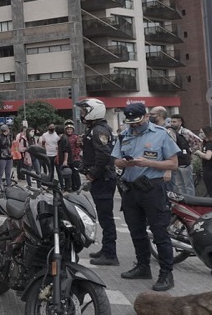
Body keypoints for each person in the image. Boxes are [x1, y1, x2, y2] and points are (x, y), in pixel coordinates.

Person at [112, 102, 179, 292]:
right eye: (130, 123)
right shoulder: (124, 135)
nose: (134, 126)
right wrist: (125, 163)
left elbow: (173, 164)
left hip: (152, 189)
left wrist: (147, 163)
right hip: (130, 190)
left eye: (137, 122)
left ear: (146, 117)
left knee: (159, 233)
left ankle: (166, 273)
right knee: (137, 232)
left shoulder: (160, 134)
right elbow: (115, 159)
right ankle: (143, 266)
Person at [75, 98, 119, 267]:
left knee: (106, 218)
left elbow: (104, 156)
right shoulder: (96, 129)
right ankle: (107, 249)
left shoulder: (98, 130)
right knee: (103, 216)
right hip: (102, 178)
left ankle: (110, 254)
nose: (82, 114)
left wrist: (92, 174)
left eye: (85, 111)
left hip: (103, 179)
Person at [169, 114, 199, 196]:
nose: (172, 124)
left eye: (174, 122)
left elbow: (198, 141)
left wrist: (190, 151)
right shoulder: (172, 132)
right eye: (171, 122)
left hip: (185, 162)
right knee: (179, 185)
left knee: (188, 185)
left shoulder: (186, 132)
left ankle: (191, 202)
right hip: (177, 162)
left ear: (180, 122)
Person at [194, 126, 212, 198]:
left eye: (201, 132)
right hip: (209, 169)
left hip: (210, 170)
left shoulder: (210, 144)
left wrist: (198, 152)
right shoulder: (208, 143)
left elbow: (208, 156)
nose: (200, 134)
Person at [0, 125, 13, 190]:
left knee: (8, 172)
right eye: (8, 129)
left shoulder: (9, 137)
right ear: (6, 130)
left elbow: (11, 146)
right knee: (0, 172)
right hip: (1, 157)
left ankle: (8, 184)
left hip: (9, 157)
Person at [64, 121, 82, 191]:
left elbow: (78, 147)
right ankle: (70, 186)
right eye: (68, 129)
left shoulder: (76, 137)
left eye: (70, 129)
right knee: (68, 173)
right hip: (67, 158)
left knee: (75, 173)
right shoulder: (64, 137)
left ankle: (78, 187)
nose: (69, 130)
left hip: (75, 159)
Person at [55, 125, 73, 191]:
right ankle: (66, 187)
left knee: (66, 173)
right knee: (65, 174)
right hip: (62, 159)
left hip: (64, 160)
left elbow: (66, 151)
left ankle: (68, 188)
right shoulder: (63, 138)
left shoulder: (64, 139)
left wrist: (65, 160)